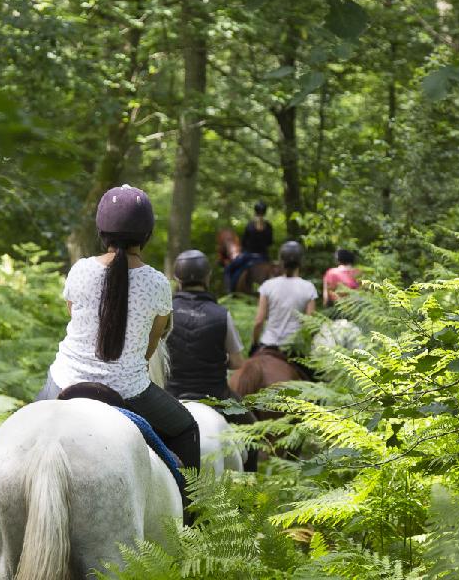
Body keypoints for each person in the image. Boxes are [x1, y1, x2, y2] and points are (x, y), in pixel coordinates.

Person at [35, 184, 201, 478]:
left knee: (24, 431)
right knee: (187, 429)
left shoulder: (81, 270)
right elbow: (149, 351)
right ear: (146, 235)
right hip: (129, 390)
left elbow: (74, 316)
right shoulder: (157, 284)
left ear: (102, 231)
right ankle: (191, 519)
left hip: (65, 380)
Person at [165, 249, 259, 472]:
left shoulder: (165, 311)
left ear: (177, 280)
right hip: (215, 396)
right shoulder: (221, 314)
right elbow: (237, 362)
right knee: (253, 433)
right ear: (207, 277)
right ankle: (250, 492)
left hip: (171, 395)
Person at [251, 241, 317, 355]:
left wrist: (254, 344)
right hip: (295, 348)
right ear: (301, 262)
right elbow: (310, 325)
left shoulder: (267, 286)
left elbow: (259, 321)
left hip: (268, 344)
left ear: (281, 261)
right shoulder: (309, 287)